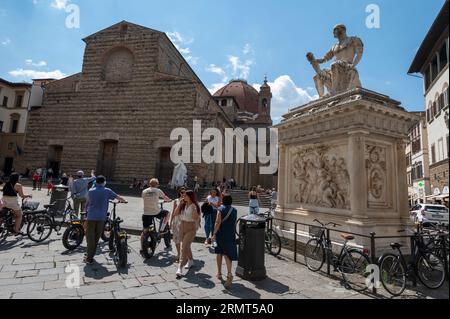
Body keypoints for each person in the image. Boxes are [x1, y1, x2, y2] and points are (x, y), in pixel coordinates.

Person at [84, 176, 127, 264]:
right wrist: (125, 200)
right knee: (97, 237)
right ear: (104, 182)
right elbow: (118, 197)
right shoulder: (107, 190)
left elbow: (87, 203)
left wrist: (85, 210)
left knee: (90, 236)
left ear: (96, 182)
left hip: (91, 216)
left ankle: (89, 257)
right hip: (101, 217)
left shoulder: (91, 191)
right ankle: (90, 255)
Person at [211, 194, 238, 289]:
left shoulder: (220, 209)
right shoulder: (234, 210)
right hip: (230, 234)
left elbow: (217, 222)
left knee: (219, 253)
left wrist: (214, 233)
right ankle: (229, 273)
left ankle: (219, 273)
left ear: (223, 200)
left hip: (221, 234)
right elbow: (234, 223)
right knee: (227, 254)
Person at [173, 190, 201, 278]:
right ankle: (191, 260)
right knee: (186, 246)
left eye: (185, 196)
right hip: (182, 225)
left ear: (190, 196)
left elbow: (195, 218)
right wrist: (179, 205)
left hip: (191, 227)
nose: (183, 197)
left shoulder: (195, 206)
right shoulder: (183, 204)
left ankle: (180, 267)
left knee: (183, 247)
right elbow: (175, 213)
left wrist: (195, 211)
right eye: (183, 195)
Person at [140, 178, 171, 255]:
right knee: (168, 213)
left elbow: (146, 199)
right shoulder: (158, 190)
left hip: (146, 213)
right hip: (156, 212)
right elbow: (165, 197)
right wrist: (169, 200)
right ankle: (162, 229)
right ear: (157, 184)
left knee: (144, 231)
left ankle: (142, 248)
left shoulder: (144, 191)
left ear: (149, 184)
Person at [169, 187, 186, 263]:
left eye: (185, 192)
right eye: (182, 192)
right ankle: (179, 254)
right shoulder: (176, 201)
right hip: (176, 221)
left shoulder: (188, 201)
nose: (183, 194)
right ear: (179, 193)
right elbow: (173, 212)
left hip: (185, 221)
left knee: (184, 239)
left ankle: (184, 255)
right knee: (176, 238)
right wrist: (170, 222)